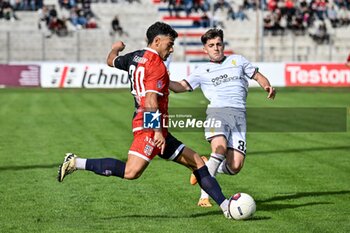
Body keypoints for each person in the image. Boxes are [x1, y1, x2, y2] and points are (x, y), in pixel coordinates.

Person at [57, 22, 232, 219]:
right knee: (131, 172)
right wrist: (157, 131)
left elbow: (111, 60)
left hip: (156, 127)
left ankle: (226, 207)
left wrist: (115, 48)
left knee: (198, 162)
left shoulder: (135, 57)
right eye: (170, 43)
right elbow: (150, 100)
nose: (171, 48)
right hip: (150, 126)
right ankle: (75, 162)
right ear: (157, 41)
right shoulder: (156, 65)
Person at [169, 28, 276, 207]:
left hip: (239, 117)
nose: (216, 48)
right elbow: (181, 86)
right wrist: (165, 81)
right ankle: (205, 196)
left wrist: (267, 86)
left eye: (218, 44)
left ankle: (204, 165)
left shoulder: (238, 61)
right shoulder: (202, 70)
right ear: (205, 49)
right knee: (219, 149)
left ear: (223, 45)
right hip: (217, 113)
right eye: (211, 45)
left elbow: (257, 75)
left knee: (235, 166)